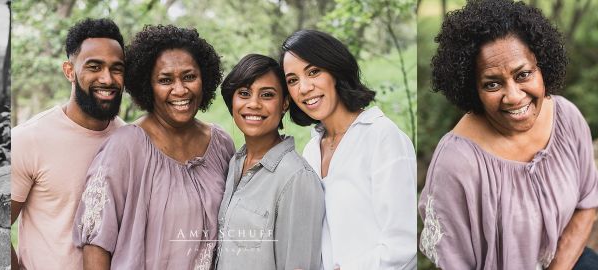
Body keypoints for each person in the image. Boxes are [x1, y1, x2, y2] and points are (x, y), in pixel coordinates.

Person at [419, 0, 598, 269]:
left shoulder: (566, 118)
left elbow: (587, 204)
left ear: (542, 67)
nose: (514, 97)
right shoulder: (456, 164)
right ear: (472, 89)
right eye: (492, 83)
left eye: (523, 74)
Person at [73, 24, 234, 269]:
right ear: (148, 86)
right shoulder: (125, 148)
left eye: (189, 77)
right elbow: (96, 245)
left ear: (205, 78)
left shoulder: (221, 144)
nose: (180, 90)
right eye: (165, 80)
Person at [280, 29, 417, 269]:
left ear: (335, 71)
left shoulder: (381, 136)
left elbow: (403, 245)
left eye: (313, 72)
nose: (303, 88)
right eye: (292, 80)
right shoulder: (311, 150)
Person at [10, 18, 126, 270]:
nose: (107, 78)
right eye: (94, 66)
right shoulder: (29, 139)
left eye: (117, 68)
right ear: (69, 70)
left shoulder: (130, 139)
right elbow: (0, 224)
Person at [214, 54, 324, 270]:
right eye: (244, 94)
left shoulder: (296, 179)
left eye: (267, 95)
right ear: (232, 101)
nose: (253, 104)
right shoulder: (235, 162)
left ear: (284, 103)